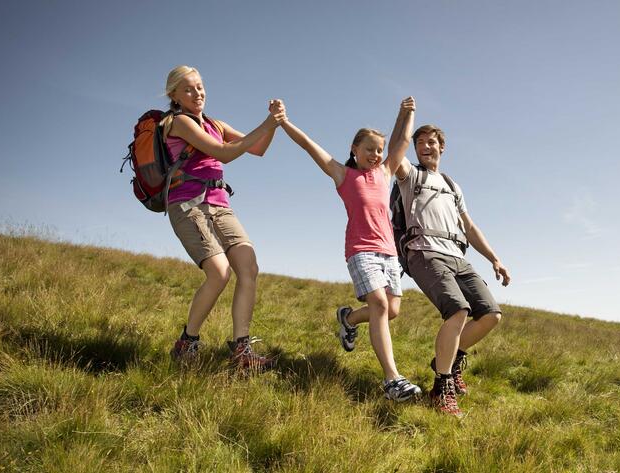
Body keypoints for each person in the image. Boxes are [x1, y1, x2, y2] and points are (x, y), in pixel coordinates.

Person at [278, 97, 422, 402]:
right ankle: (392, 380)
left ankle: (348, 319)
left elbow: (403, 139)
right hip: (361, 250)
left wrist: (405, 113)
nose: (375, 154)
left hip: (389, 252)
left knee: (391, 310)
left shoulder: (384, 173)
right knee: (381, 306)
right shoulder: (343, 175)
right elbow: (308, 145)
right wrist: (283, 122)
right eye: (369, 148)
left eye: (379, 150)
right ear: (354, 149)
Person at [162, 65, 286, 372]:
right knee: (219, 272)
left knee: (248, 266)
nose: (197, 93)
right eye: (188, 89)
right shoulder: (177, 122)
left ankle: (241, 352)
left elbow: (258, 148)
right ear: (174, 95)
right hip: (188, 205)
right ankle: (186, 344)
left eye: (200, 87)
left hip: (220, 204)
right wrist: (266, 123)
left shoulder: (215, 123)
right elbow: (225, 153)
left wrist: (273, 123)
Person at [394, 124, 511, 416]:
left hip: (457, 255)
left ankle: (448, 359)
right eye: (419, 142)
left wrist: (494, 258)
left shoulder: (451, 184)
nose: (425, 147)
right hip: (423, 252)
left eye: (431, 142)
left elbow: (469, 227)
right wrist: (407, 119)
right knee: (458, 310)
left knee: (490, 314)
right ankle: (442, 387)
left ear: (441, 147)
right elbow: (396, 151)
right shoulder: (410, 175)